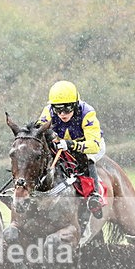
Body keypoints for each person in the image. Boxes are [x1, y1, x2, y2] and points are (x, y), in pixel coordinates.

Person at [37, 80, 106, 218]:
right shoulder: (49, 111)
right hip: (61, 145)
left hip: (89, 146)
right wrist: (50, 135)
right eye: (58, 109)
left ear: (75, 104)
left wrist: (71, 145)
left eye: (67, 108)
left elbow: (93, 145)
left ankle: (94, 196)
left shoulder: (87, 113)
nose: (62, 114)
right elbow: (39, 129)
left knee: (88, 159)